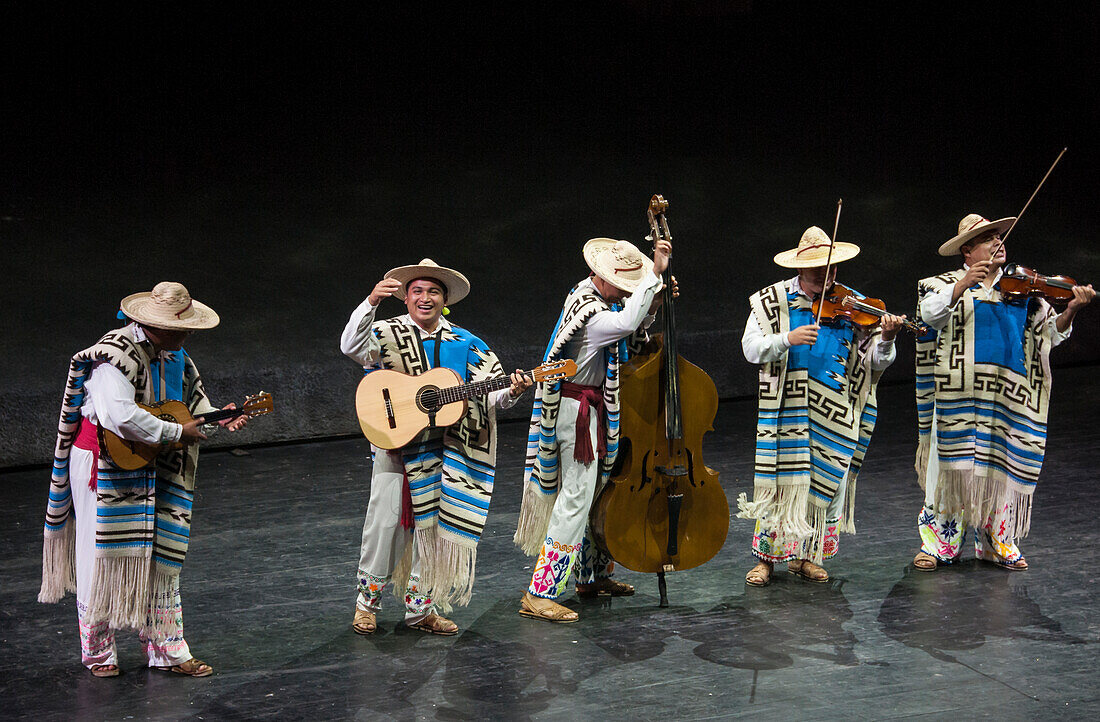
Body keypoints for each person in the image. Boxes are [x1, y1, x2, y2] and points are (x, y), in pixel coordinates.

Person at [38, 282, 248, 678]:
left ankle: (168, 648)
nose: (186, 334)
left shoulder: (176, 356)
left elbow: (190, 408)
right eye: (178, 327)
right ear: (153, 323)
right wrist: (173, 433)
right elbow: (118, 415)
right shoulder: (113, 355)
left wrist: (221, 415)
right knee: (98, 554)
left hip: (155, 459)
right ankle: (99, 652)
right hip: (103, 462)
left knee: (160, 556)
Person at [341, 259, 531, 636]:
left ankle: (420, 608)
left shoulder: (467, 342)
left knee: (433, 531)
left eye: (433, 292)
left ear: (444, 300)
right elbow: (351, 347)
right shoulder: (386, 331)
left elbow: (490, 397)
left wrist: (512, 390)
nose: (425, 298)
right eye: (417, 291)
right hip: (397, 446)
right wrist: (370, 303)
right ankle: (366, 605)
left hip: (449, 449)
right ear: (406, 298)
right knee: (384, 525)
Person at [912, 214, 1094, 572]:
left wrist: (1070, 311)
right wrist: (965, 282)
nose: (998, 242)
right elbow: (929, 316)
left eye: (998, 236)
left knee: (1002, 469)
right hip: (957, 395)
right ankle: (940, 545)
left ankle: (997, 541)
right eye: (987, 239)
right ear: (967, 250)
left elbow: (1050, 335)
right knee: (949, 470)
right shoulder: (940, 284)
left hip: (1006, 395)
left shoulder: (1024, 289)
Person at [514, 236, 671, 623]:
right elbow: (624, 324)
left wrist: (649, 303)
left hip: (588, 408)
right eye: (626, 284)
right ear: (604, 278)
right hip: (578, 413)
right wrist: (653, 275)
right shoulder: (592, 312)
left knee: (595, 493)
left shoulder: (589, 295)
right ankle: (541, 592)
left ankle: (590, 576)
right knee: (576, 497)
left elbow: (630, 326)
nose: (627, 291)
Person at [737, 227, 904, 587]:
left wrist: (887, 339)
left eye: (831, 271)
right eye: (817, 272)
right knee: (782, 484)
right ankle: (766, 559)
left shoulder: (854, 305)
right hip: (788, 407)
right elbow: (751, 349)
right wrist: (786, 339)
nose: (825, 279)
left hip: (835, 407)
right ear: (800, 269)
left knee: (827, 483)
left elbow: (875, 362)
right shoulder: (771, 301)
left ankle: (807, 557)